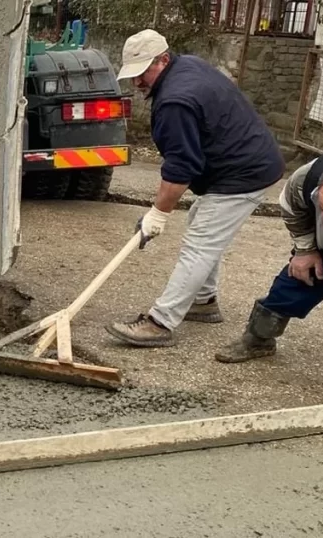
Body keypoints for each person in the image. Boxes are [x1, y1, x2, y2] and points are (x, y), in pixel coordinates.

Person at [104, 29, 285, 347]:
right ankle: (203, 302)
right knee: (200, 225)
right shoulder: (187, 65)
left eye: (143, 73)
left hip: (243, 172)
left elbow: (181, 168)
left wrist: (157, 214)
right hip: (243, 161)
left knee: (200, 243)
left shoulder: (176, 100)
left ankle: (160, 322)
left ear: (163, 59)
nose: (138, 83)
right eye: (133, 75)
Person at [215, 151, 323, 363]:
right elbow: (293, 208)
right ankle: (259, 339)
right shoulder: (306, 179)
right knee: (301, 277)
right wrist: (305, 250)